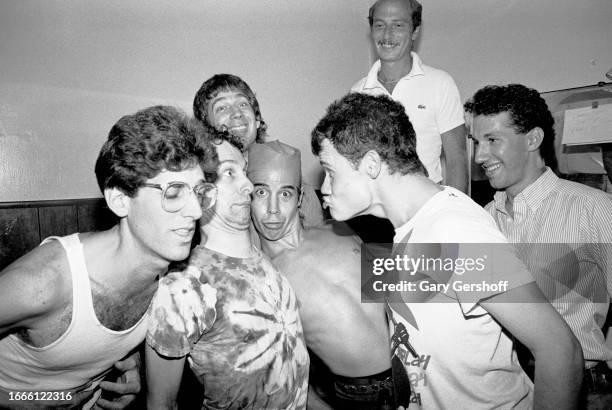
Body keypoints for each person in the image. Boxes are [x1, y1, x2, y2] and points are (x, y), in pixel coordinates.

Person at [310, 92, 583, 409]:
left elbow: (559, 350)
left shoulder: (453, 230)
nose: (325, 189)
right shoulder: (410, 229)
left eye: (330, 171)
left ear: (371, 164)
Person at [0, 105, 216, 409]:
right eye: (173, 192)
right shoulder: (43, 284)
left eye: (199, 192)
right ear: (120, 200)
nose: (195, 211)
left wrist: (133, 368)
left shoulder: (174, 277)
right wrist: (25, 399)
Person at [465, 83, 612, 408]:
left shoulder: (593, 209)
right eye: (476, 142)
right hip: (508, 393)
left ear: (532, 139)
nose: (479, 156)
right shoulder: (480, 222)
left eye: (492, 140)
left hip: (584, 394)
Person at [145, 134, 310, 409]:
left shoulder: (264, 258)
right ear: (200, 189)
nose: (247, 184)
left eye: (244, 171)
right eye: (229, 172)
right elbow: (160, 403)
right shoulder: (183, 286)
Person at [247, 141, 392, 409]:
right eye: (261, 193)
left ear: (300, 198)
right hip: (358, 394)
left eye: (285, 194)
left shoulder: (340, 230)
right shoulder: (262, 279)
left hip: (417, 368)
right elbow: (282, 376)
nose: (273, 209)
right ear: (248, 198)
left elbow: (398, 292)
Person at [351, 0, 468, 193]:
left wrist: (454, 215)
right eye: (379, 25)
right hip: (374, 211)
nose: (387, 35)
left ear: (415, 31)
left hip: (426, 208)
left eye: (398, 25)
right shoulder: (358, 91)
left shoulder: (440, 83)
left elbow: (457, 159)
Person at [193, 73, 326, 230]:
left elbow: (317, 245)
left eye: (242, 104)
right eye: (222, 108)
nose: (236, 113)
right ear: (205, 128)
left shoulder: (294, 187)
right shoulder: (198, 190)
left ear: (256, 120)